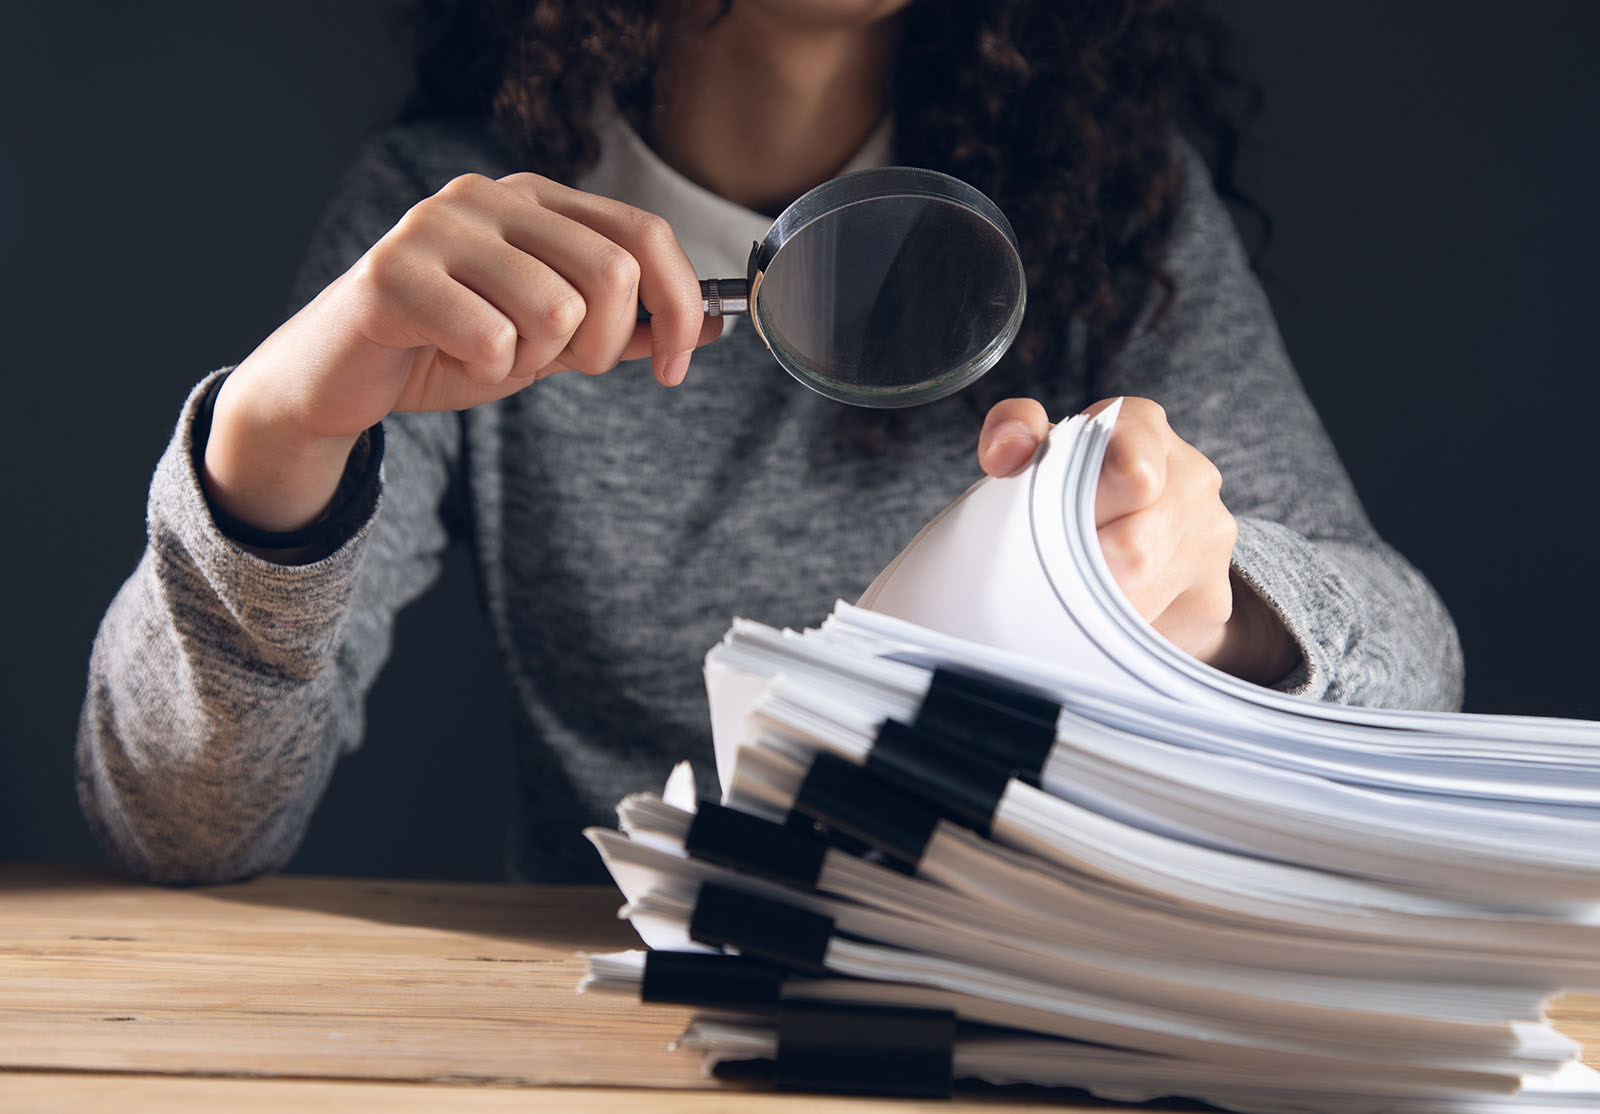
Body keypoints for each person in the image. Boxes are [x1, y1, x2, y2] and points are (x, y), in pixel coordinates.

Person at [76, 0, 1462, 885]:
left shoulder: (1115, 215)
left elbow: (1418, 681)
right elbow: (178, 824)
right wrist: (272, 430)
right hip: (596, 1040)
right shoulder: (448, 230)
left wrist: (1222, 611)